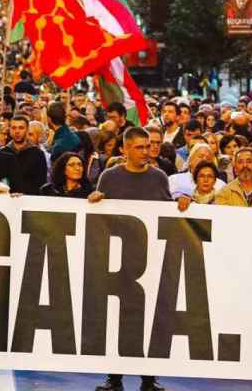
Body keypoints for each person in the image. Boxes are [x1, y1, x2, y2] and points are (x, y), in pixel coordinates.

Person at [88, 126, 167, 391]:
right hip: (117, 262)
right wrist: (95, 201)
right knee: (117, 319)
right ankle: (114, 377)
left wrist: (182, 204)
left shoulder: (159, 178)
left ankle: (148, 378)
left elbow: (169, 217)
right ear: (125, 150)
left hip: (149, 260)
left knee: (149, 320)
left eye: (149, 146)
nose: (147, 151)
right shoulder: (109, 177)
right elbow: (99, 220)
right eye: (140, 147)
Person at [4, 114, 48, 195]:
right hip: (7, 200)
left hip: (30, 200)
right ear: (9, 130)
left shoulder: (38, 153)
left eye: (21, 128)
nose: (17, 131)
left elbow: (41, 183)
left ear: (27, 130)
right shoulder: (3, 152)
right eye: (14, 128)